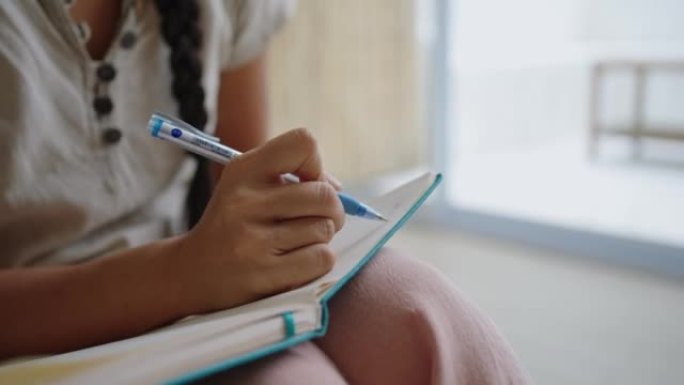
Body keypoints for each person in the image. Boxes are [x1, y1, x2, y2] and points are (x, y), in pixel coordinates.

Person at [0, 1, 529, 383]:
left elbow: (249, 177)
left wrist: (280, 217)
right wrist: (182, 274)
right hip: (47, 335)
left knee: (420, 306)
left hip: (194, 297)